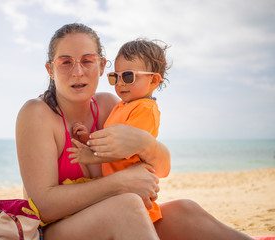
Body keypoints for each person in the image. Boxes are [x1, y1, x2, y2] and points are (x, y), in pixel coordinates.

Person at [16, 23, 252, 239]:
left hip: (112, 223)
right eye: (66, 62)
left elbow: (162, 169)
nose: (77, 71)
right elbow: (43, 206)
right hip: (53, 232)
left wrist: (146, 144)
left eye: (87, 60)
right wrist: (122, 183)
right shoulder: (37, 113)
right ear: (50, 69)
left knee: (184, 210)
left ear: (101, 67)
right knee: (127, 206)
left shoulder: (110, 106)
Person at [68, 39, 169, 229]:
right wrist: (89, 138)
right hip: (119, 190)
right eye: (116, 77)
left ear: (153, 80)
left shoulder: (145, 109)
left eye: (129, 76)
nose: (120, 83)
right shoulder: (122, 106)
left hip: (133, 193)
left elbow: (124, 148)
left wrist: (92, 156)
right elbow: (111, 138)